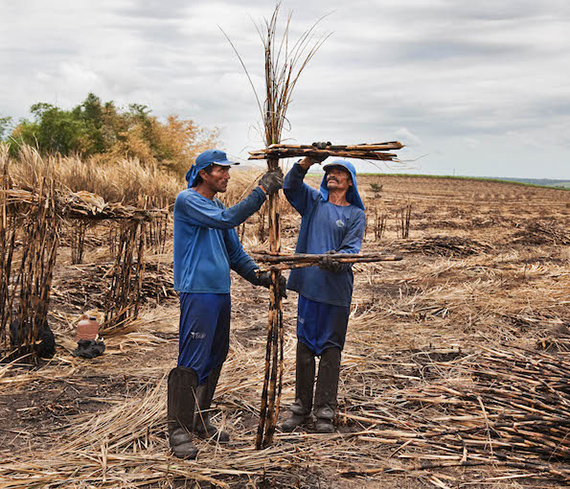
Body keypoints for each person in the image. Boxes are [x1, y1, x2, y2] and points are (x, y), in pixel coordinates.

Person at [169, 149, 283, 459]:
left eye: (228, 170)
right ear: (204, 173)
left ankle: (200, 420)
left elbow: (234, 253)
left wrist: (260, 277)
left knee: (215, 354)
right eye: (221, 170)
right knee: (193, 357)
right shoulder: (188, 200)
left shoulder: (215, 205)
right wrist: (261, 190)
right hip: (197, 290)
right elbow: (228, 218)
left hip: (219, 292)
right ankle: (178, 430)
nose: (226, 176)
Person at [281, 154, 366, 433]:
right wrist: (306, 163)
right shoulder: (314, 204)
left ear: (350, 182)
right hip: (310, 287)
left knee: (331, 350)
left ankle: (324, 411)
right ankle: (300, 408)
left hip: (335, 292)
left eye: (340, 171)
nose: (333, 174)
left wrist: (339, 259)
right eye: (329, 170)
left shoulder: (355, 215)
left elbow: (352, 249)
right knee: (305, 347)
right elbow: (291, 186)